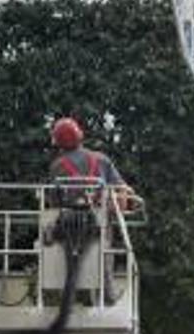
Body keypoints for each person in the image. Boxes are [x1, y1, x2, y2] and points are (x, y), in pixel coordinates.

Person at [47, 117, 132, 305]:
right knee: (102, 258)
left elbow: (53, 202)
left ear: (59, 143)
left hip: (70, 227)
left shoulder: (57, 167)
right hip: (99, 223)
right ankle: (108, 298)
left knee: (68, 261)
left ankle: (73, 299)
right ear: (80, 136)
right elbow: (123, 190)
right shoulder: (101, 159)